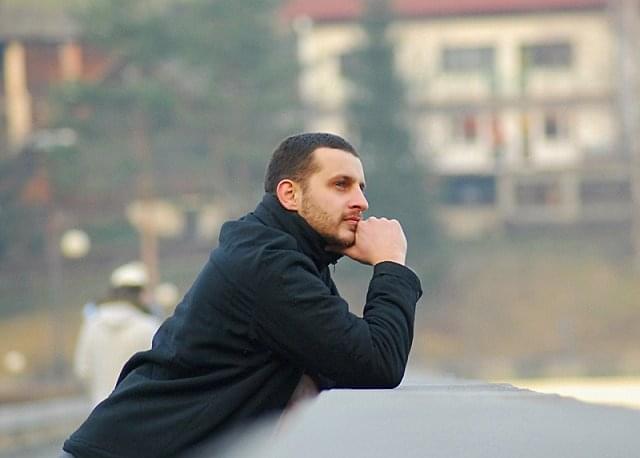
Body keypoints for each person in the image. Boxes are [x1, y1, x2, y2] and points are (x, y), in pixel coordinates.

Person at [61, 132, 422, 458]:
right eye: (341, 185)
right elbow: (376, 364)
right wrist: (390, 264)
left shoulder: (283, 256)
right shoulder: (267, 264)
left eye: (361, 187)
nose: (361, 201)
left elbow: (341, 363)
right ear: (290, 194)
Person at [73, 261, 160, 406]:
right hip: (139, 409)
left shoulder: (93, 324)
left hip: (101, 409)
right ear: (141, 294)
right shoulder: (148, 326)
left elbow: (83, 370)